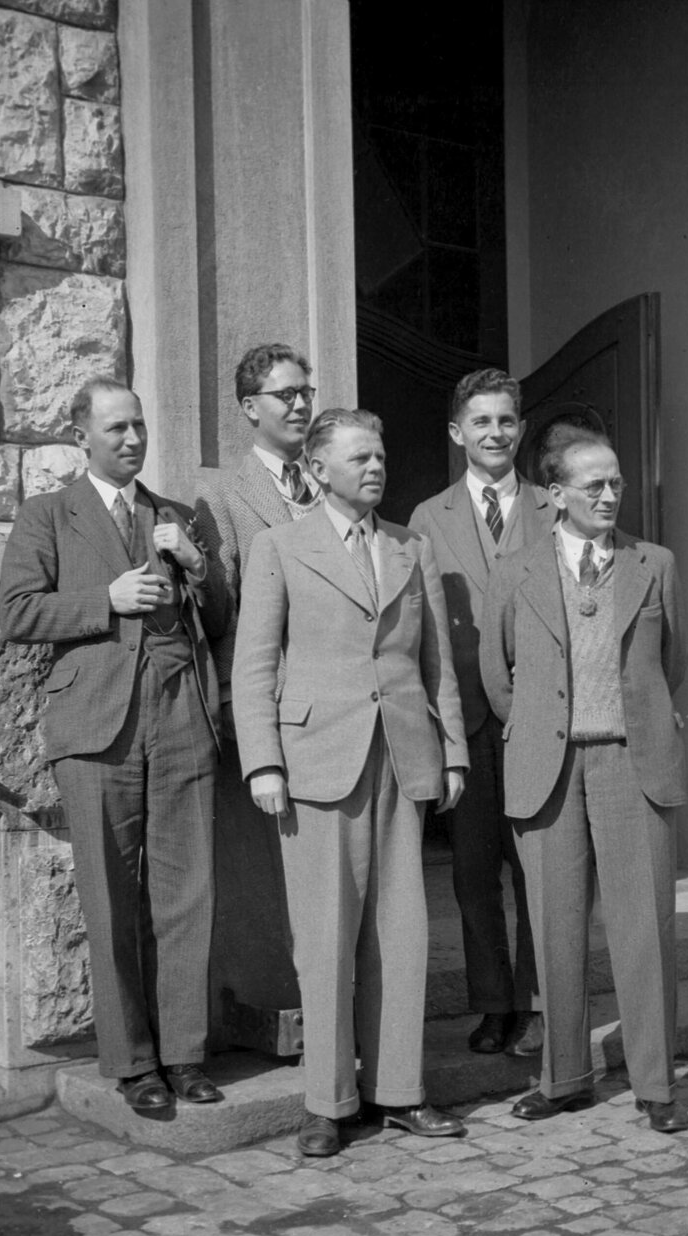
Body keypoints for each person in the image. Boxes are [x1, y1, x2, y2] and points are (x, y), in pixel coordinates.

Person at [232, 407, 470, 1157]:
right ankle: (327, 1104)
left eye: (381, 454)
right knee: (326, 938)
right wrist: (263, 760)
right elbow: (256, 664)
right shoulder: (279, 547)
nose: (376, 467)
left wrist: (454, 751)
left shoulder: (410, 547)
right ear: (319, 468)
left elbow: (437, 665)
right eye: (360, 457)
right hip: (316, 762)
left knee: (401, 933)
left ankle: (399, 1091)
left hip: (401, 757)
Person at [0, 377, 229, 1112]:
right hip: (96, 726)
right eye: (117, 428)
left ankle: (186, 1056)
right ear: (82, 437)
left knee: (186, 894)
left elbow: (221, 618)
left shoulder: (176, 516)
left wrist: (195, 564)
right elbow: (18, 612)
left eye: (139, 426)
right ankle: (133, 1065)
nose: (133, 439)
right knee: (110, 898)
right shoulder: (48, 516)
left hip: (180, 716)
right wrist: (106, 601)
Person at [480, 422, 688, 1133]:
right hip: (551, 765)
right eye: (594, 484)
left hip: (633, 764)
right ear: (555, 492)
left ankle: (656, 1084)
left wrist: (640, 718)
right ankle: (563, 1077)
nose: (609, 495)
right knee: (554, 926)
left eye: (617, 483)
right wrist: (543, 727)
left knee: (644, 930)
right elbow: (497, 673)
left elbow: (673, 663)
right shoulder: (518, 570)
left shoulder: (653, 562)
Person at [409, 368, 549, 1058]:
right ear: (458, 433)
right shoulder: (426, 520)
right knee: (473, 872)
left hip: (538, 718)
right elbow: (421, 630)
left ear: (521, 429)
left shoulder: (555, 510)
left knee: (539, 869)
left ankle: (543, 1000)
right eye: (481, 422)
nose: (495, 433)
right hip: (465, 718)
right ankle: (494, 1004)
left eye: (506, 421)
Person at [189, 344, 321, 1024]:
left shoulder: (327, 482)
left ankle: (332, 1010)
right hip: (264, 709)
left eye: (305, 392)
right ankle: (278, 1017)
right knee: (266, 877)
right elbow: (221, 612)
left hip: (335, 711)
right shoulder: (221, 493)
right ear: (249, 408)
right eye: (283, 395)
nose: (300, 404)